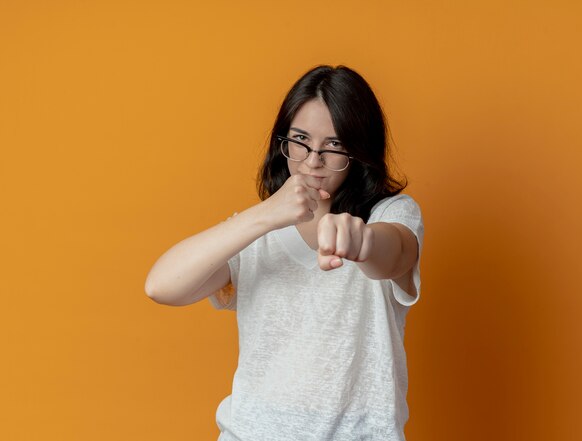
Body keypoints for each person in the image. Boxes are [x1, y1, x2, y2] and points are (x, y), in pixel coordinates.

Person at [145, 65, 424, 440]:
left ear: (359, 152)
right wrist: (264, 215)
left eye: (335, 146)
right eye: (300, 140)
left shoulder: (390, 214)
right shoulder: (255, 231)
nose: (312, 161)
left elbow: (397, 253)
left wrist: (361, 242)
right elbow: (161, 286)